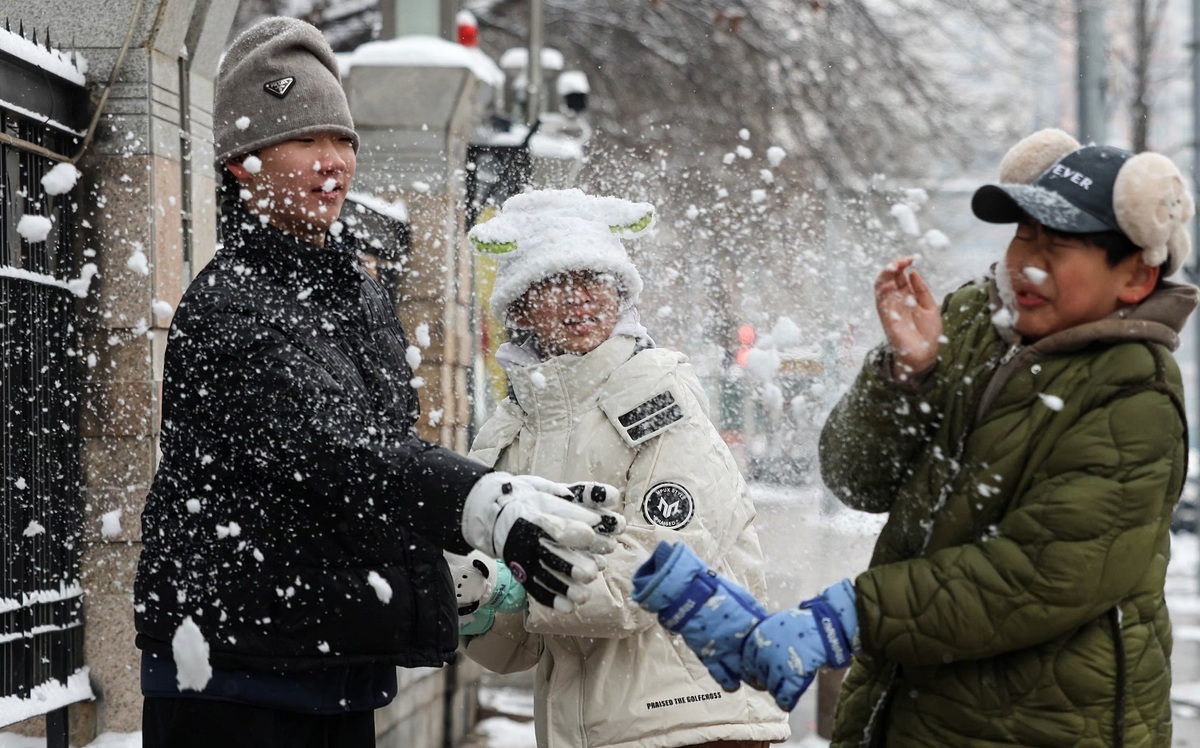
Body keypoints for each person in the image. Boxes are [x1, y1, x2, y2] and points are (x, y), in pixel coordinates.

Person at [132, 19, 623, 748]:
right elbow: (339, 454)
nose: (333, 164)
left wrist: (459, 553)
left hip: (333, 667)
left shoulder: (355, 294)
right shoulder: (231, 306)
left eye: (345, 142)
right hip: (233, 680)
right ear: (242, 162)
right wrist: (480, 500)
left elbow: (380, 465)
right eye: (305, 142)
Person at [632, 128, 1198, 747]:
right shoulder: (971, 324)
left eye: (1058, 246)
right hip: (908, 701)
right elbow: (855, 477)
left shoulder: (1135, 393)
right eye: (1023, 236)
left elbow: (1042, 573)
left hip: (1043, 724)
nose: (1025, 262)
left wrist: (851, 616)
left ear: (1136, 278)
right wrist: (907, 375)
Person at [447, 188, 791, 748]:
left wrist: (520, 585)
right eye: (556, 280)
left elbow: (653, 579)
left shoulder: (659, 396)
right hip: (586, 732)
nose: (581, 297)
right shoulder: (508, 434)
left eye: (597, 279)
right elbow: (516, 650)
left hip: (698, 723)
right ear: (520, 305)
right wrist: (477, 596)